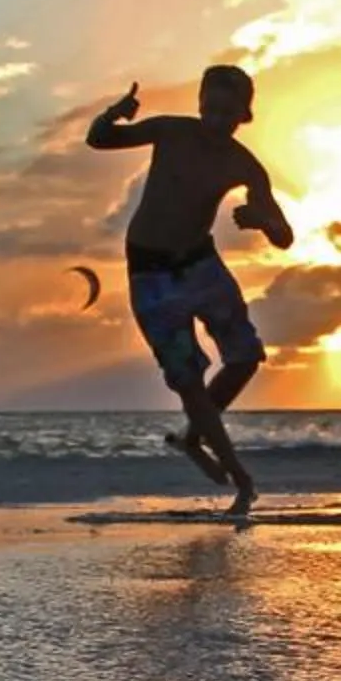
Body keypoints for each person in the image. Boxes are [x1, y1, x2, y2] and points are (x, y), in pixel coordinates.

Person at [88, 64, 295, 513]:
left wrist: (263, 221)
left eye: (228, 113)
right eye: (211, 109)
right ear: (200, 104)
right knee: (187, 379)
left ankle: (192, 438)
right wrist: (114, 113)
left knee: (245, 357)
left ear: (244, 115)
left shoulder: (244, 165)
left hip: (200, 265)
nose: (217, 121)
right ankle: (241, 480)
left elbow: (284, 237)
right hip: (151, 273)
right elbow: (99, 140)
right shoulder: (171, 131)